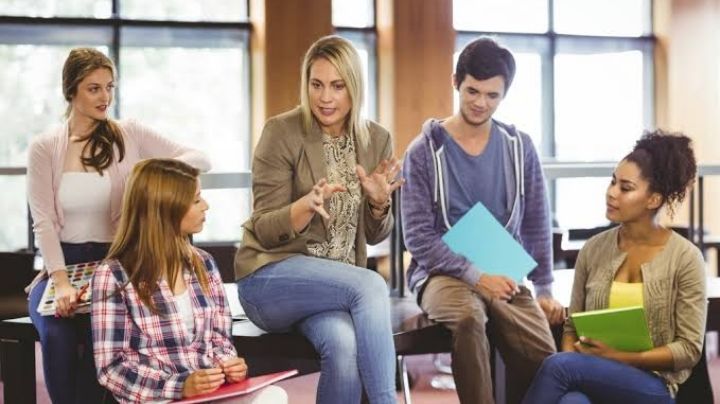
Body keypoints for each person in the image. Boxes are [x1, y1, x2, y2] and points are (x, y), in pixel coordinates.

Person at [26, 48, 211, 403]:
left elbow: (199, 158)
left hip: (116, 267)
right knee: (58, 334)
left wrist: (146, 179)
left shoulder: (129, 133)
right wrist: (61, 283)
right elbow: (43, 222)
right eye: (94, 88)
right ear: (71, 90)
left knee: (104, 337)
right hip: (60, 268)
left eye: (110, 87)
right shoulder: (45, 147)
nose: (105, 97)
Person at [234, 35, 401, 404]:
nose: (325, 98)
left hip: (334, 289)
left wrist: (377, 204)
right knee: (372, 285)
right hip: (270, 279)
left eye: (337, 86)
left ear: (354, 87)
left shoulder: (376, 139)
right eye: (317, 84)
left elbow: (375, 235)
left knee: (343, 347)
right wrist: (303, 207)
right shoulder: (282, 132)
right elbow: (262, 226)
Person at [400, 37, 561, 404]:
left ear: (504, 95)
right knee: (471, 318)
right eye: (472, 91)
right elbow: (419, 238)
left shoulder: (519, 147)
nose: (480, 103)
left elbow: (537, 217)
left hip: (501, 269)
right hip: (441, 275)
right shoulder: (423, 151)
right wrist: (476, 276)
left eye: (492, 95)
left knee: (545, 353)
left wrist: (545, 287)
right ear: (456, 81)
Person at [523, 131, 706, 404]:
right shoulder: (593, 249)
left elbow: (689, 349)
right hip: (589, 375)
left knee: (558, 366)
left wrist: (618, 358)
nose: (611, 192)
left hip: (653, 384)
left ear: (653, 199)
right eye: (612, 181)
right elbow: (572, 326)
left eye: (626, 187)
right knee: (571, 401)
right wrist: (581, 363)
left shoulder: (685, 257)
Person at [91, 159, 287, 404]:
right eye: (196, 200)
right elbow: (112, 369)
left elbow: (219, 339)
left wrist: (227, 364)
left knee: (275, 396)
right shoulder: (112, 275)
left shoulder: (203, 263)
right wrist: (180, 387)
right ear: (166, 208)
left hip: (207, 395)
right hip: (157, 398)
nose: (206, 206)